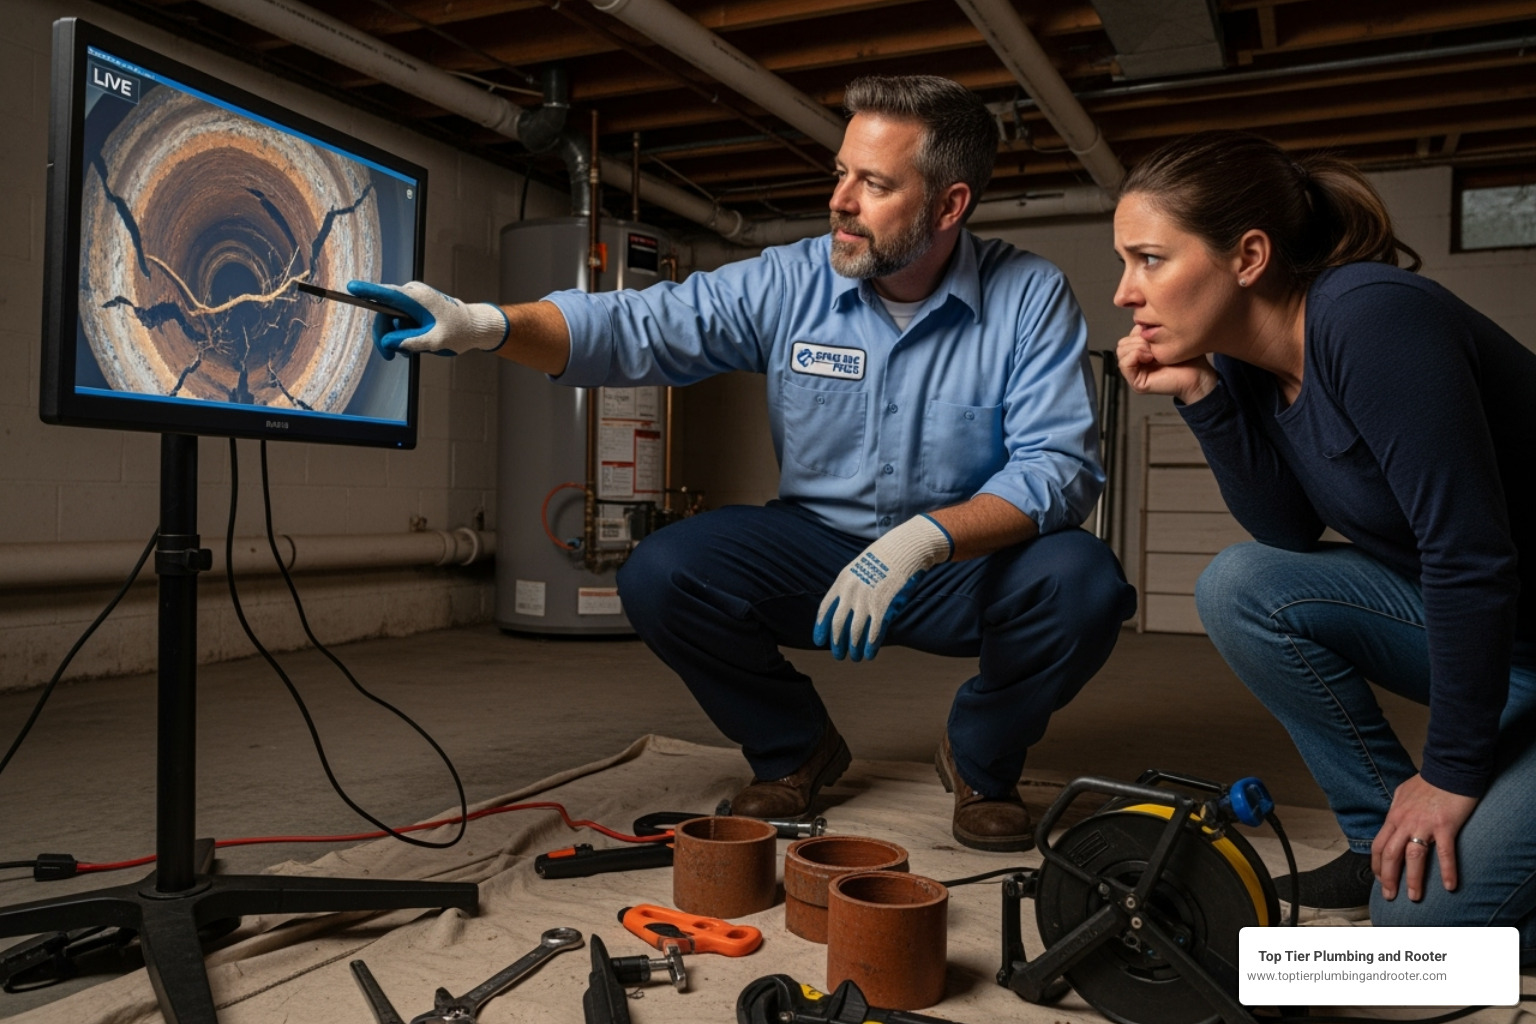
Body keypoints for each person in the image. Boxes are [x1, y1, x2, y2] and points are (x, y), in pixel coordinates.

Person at [352, 75, 1136, 853]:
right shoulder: (792, 279)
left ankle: (981, 758)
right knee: (661, 572)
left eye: (874, 184)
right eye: (841, 173)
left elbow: (1058, 465)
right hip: (818, 549)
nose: (840, 201)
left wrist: (921, 541)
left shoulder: (1028, 295)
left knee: (1085, 583)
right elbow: (636, 325)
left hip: (962, 560)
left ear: (949, 205)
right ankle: (794, 748)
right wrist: (484, 324)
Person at [1113, 129, 1536, 953]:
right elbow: (1286, 531)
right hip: (1511, 646)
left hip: (1500, 610)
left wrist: (1449, 774)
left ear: (1249, 257)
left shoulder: (1371, 318)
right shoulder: (1246, 358)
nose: (1127, 291)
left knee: (1420, 928)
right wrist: (1202, 397)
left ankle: (1429, 861)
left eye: (1150, 259)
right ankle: (1377, 840)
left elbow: (1470, 557)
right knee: (1241, 585)